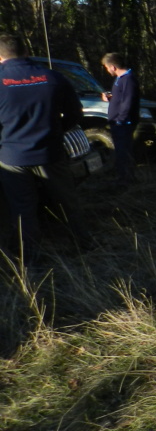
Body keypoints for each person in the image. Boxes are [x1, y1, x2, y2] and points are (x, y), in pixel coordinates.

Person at [0, 33, 86, 268]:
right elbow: (75, 113)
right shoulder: (52, 77)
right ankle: (84, 243)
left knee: (22, 208)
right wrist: (57, 131)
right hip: (51, 151)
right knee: (67, 199)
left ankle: (30, 258)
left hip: (12, 156)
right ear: (26, 51)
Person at [100, 52, 140, 182]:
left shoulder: (128, 79)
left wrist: (120, 120)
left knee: (124, 152)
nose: (107, 70)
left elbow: (128, 102)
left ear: (113, 67)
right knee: (120, 151)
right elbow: (122, 98)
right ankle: (122, 176)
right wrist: (111, 97)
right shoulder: (120, 79)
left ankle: (126, 179)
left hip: (123, 123)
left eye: (107, 67)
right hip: (118, 122)